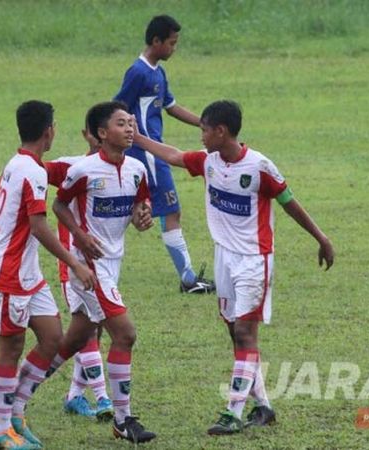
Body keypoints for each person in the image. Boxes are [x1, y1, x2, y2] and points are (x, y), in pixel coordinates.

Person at [133, 100, 335, 434]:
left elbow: (289, 204)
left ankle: (232, 414)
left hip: (254, 261)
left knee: (244, 332)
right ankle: (264, 406)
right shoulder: (209, 162)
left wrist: (321, 238)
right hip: (224, 259)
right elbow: (173, 155)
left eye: (204, 130)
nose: (200, 136)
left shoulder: (259, 167)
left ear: (221, 131)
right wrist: (139, 139)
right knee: (234, 332)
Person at [0, 100, 96, 450]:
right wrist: (74, 262)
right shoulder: (33, 171)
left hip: (26, 273)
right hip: (9, 274)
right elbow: (38, 225)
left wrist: (7, 236)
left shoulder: (18, 164)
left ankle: (15, 412)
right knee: (11, 347)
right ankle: (0, 430)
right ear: (49, 131)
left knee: (51, 337)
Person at [47, 101, 156, 444]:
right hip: (86, 266)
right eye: (122, 123)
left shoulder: (138, 168)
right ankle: (122, 420)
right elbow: (57, 203)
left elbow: (140, 210)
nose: (129, 129)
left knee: (74, 341)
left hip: (113, 263)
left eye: (132, 124)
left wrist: (143, 218)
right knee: (124, 334)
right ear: (100, 133)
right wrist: (79, 236)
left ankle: (14, 396)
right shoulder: (79, 169)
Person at [114, 14, 214, 294]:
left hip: (153, 153)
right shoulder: (138, 73)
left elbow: (171, 106)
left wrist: (202, 122)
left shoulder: (157, 72)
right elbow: (117, 107)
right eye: (171, 43)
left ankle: (188, 277)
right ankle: (188, 280)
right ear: (156, 41)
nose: (174, 48)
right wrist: (120, 139)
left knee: (148, 212)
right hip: (148, 156)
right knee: (168, 212)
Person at [47, 128, 113, 421]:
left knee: (91, 330)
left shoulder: (120, 169)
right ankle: (103, 400)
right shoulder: (69, 167)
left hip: (105, 267)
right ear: (89, 133)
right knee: (86, 332)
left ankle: (73, 396)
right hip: (73, 266)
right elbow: (30, 171)